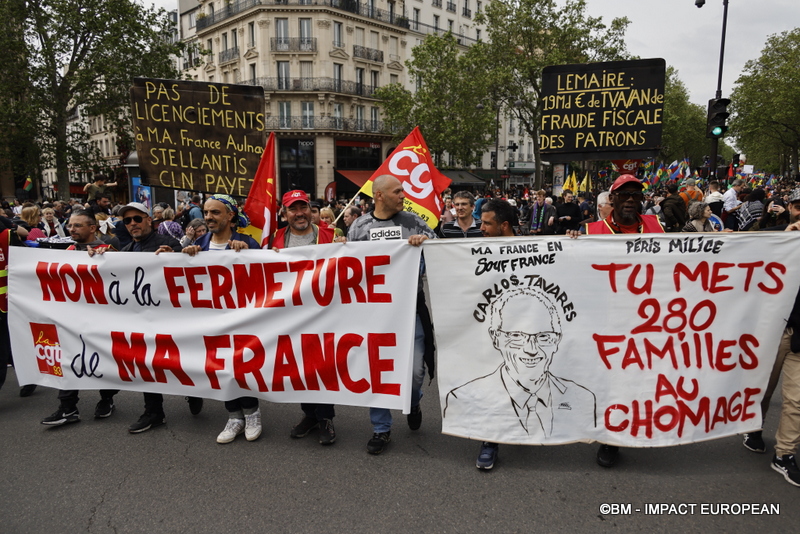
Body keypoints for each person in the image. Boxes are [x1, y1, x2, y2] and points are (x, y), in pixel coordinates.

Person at [577, 174, 665, 467]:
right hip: (608, 324)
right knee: (610, 384)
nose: (630, 199)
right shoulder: (591, 231)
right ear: (611, 200)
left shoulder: (657, 227)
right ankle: (609, 440)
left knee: (642, 381)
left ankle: (640, 426)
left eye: (636, 195)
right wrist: (570, 246)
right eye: (624, 194)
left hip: (647, 322)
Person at [93, 202, 203, 433]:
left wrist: (176, 256)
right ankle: (154, 412)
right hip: (142, 321)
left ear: (148, 221)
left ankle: (194, 391)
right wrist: (102, 258)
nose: (132, 224)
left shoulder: (168, 244)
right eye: (127, 221)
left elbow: (188, 270)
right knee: (146, 364)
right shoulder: (124, 251)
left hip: (172, 319)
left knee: (180, 361)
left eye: (137, 219)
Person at [348, 175, 436, 454]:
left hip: (410, 310)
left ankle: (413, 401)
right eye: (397, 191)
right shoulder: (359, 227)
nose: (403, 195)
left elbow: (442, 254)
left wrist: (425, 244)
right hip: (374, 313)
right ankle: (381, 429)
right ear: (379, 196)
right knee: (378, 371)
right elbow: (347, 267)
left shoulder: (414, 222)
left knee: (415, 372)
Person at [183, 195, 262, 444]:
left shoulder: (248, 242)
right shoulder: (198, 244)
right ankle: (234, 416)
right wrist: (181, 256)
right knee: (220, 367)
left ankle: (252, 413)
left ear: (230, 216)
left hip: (241, 318)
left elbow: (266, 275)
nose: (208, 217)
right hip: (211, 320)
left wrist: (250, 254)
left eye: (215, 212)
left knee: (241, 366)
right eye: (206, 212)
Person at [269, 190, 337, 445]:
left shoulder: (330, 236)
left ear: (310, 209)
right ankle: (309, 415)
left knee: (322, 365)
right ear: (284, 214)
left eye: (303, 207)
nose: (299, 213)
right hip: (290, 315)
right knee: (300, 367)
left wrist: (346, 248)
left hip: (323, 313)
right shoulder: (273, 239)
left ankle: (326, 418)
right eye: (292, 209)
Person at [40, 210, 118, 426]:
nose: (71, 229)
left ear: (92, 228)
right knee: (67, 359)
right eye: (70, 225)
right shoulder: (69, 250)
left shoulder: (108, 250)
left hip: (101, 320)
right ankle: (67, 407)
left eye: (77, 226)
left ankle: (107, 399)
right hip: (72, 320)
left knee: (103, 360)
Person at [746, 189, 800, 486]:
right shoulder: (778, 235)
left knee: (796, 400)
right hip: (773, 330)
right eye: (797, 206)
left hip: (799, 336)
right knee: (762, 389)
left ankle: (785, 453)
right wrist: (783, 238)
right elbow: (741, 246)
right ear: (790, 208)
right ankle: (753, 428)